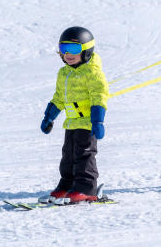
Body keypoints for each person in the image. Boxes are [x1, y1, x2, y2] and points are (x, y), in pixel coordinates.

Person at [40, 26, 109, 202]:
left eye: (74, 49)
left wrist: (98, 122)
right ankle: (67, 185)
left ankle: (87, 188)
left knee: (84, 155)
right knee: (68, 156)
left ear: (86, 50)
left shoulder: (93, 72)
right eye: (64, 49)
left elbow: (99, 97)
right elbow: (59, 98)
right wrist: (49, 117)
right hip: (71, 123)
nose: (68, 54)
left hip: (87, 123)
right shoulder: (64, 73)